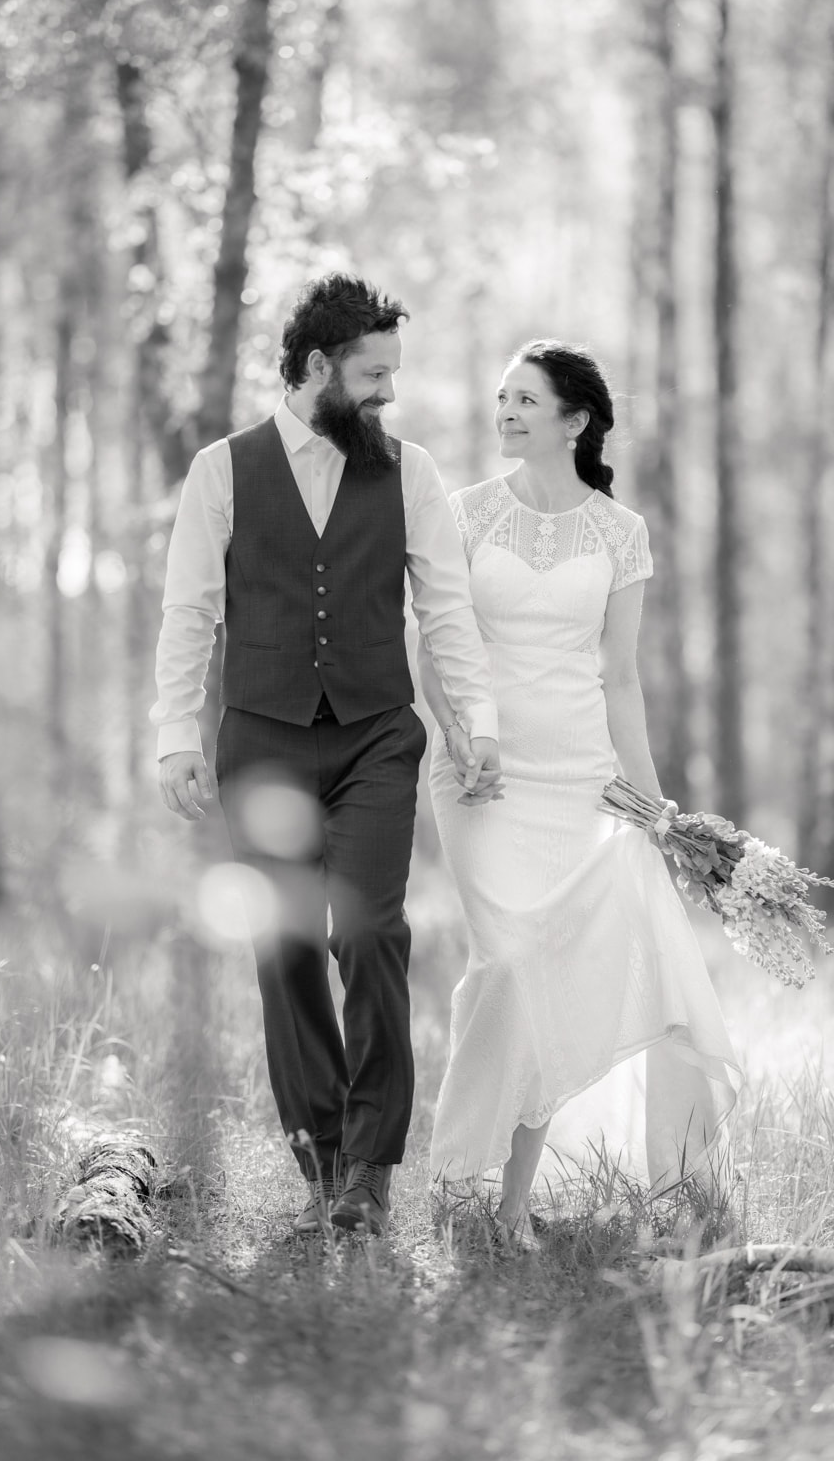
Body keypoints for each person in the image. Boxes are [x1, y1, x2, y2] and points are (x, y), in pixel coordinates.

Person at [151, 274, 502, 1238]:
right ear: (318, 368)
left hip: (377, 736)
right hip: (260, 738)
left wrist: (479, 721)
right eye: (373, 372)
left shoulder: (411, 472)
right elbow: (189, 612)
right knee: (287, 945)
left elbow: (445, 610)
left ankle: (374, 1167)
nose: (388, 391)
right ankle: (322, 1164)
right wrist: (175, 734)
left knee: (370, 931)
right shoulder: (222, 470)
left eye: (393, 372)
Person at [419, 340, 742, 1250]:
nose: (507, 413)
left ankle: (509, 1203)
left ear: (576, 420)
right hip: (480, 776)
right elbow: (432, 646)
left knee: (543, 977)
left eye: (527, 400)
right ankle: (454, 1176)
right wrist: (454, 733)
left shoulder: (619, 531)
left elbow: (622, 681)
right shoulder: (464, 515)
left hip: (582, 780)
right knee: (511, 962)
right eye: (502, 398)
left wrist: (655, 807)